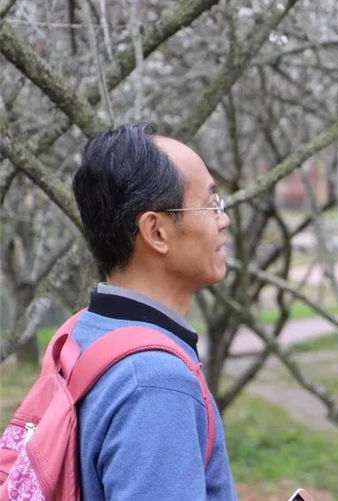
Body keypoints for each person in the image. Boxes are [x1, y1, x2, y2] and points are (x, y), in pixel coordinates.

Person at [70, 123, 237, 499]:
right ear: (156, 231)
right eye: (210, 204)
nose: (224, 219)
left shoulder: (85, 332)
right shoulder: (155, 383)